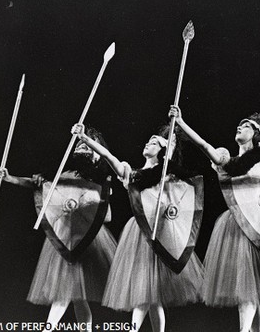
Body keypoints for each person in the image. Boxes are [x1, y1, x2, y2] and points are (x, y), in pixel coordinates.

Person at [169, 105, 260, 332]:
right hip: (237, 227)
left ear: (258, 135)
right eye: (240, 124)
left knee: (251, 295)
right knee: (249, 294)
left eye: (246, 125)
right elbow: (206, 147)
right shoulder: (228, 159)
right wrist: (182, 124)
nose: (240, 126)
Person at [71, 123, 204, 332]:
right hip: (139, 234)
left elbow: (181, 199)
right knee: (145, 290)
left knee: (154, 298)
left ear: (163, 151)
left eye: (154, 142)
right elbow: (108, 156)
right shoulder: (129, 172)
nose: (148, 143)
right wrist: (86, 140)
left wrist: (169, 151)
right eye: (148, 141)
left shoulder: (168, 173)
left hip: (161, 232)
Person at [0, 127, 117, 332]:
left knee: (71, 295)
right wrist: (10, 178)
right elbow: (39, 184)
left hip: (87, 241)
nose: (84, 145)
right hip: (64, 238)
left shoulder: (100, 181)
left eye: (90, 142)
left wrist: (91, 204)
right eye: (81, 143)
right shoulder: (65, 174)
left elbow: (106, 216)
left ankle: (48, 329)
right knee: (74, 295)